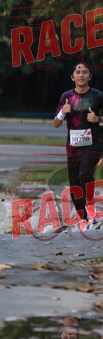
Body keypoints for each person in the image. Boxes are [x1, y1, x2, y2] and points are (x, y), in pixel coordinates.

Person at [54, 61, 103, 232]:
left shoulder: (98, 96)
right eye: (78, 72)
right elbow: (56, 123)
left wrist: (98, 119)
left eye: (85, 72)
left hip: (94, 143)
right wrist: (63, 112)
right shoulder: (66, 97)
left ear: (90, 76)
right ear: (72, 77)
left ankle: (91, 206)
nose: (81, 74)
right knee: (75, 183)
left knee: (85, 174)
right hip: (73, 145)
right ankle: (84, 219)